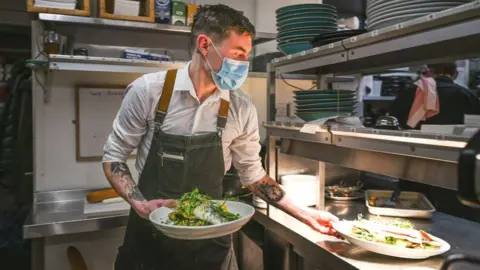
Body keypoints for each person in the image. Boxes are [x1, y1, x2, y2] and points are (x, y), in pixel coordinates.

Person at [102, 4, 339, 270]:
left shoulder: (241, 108)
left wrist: (307, 215)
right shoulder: (148, 92)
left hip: (211, 241)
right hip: (152, 237)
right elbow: (114, 158)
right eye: (238, 54)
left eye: (247, 56)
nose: (244, 65)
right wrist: (140, 204)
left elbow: (254, 176)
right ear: (204, 45)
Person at [390, 62, 480, 129]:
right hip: (452, 147)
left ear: (429, 72)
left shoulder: (410, 91)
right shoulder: (466, 94)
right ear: (456, 74)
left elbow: (392, 117)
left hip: (411, 145)